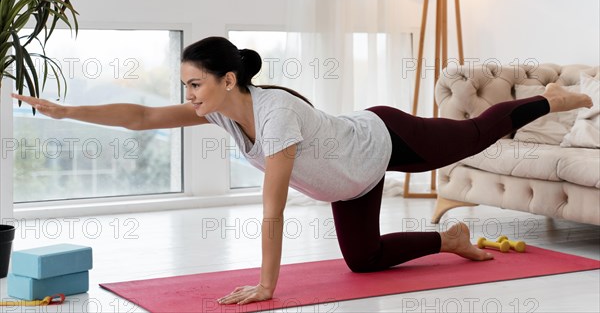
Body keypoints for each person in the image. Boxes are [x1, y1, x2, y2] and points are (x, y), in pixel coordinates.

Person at [12, 36, 593, 305]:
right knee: (362, 261)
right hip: (352, 178)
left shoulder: (275, 113)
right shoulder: (218, 115)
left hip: (386, 137)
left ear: (227, 80)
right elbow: (140, 117)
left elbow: (273, 208)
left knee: (471, 134)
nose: (187, 95)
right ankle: (451, 237)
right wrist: (64, 109)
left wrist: (268, 287)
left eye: (194, 83)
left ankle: (550, 98)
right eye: (185, 85)